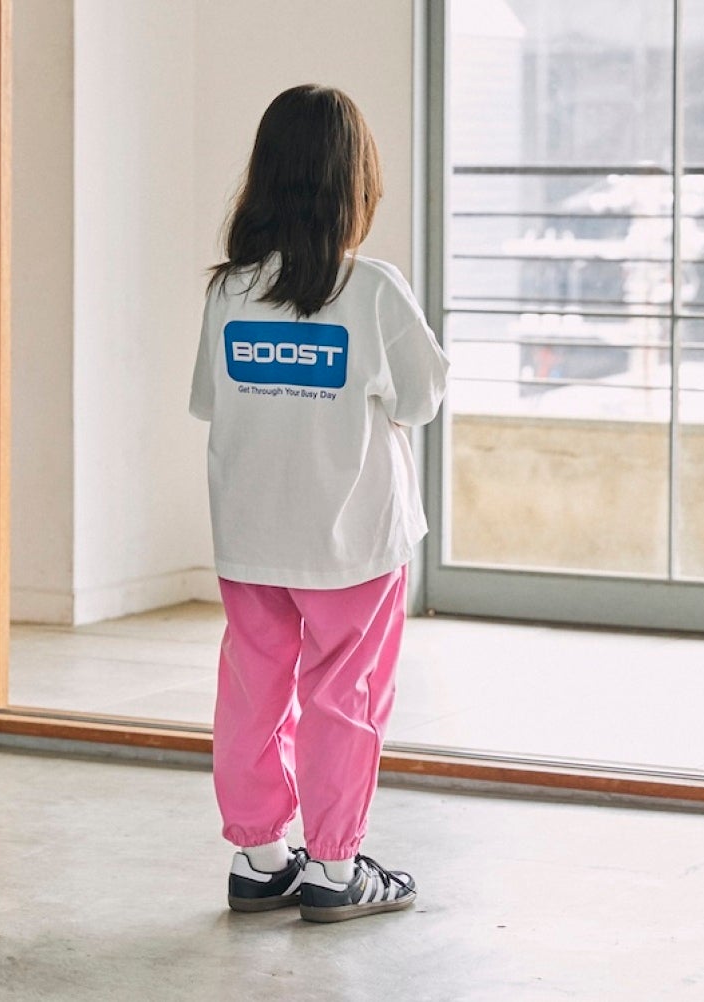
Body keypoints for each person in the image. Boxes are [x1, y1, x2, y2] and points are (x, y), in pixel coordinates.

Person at [189, 84, 449, 923]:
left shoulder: (228, 291)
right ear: (356, 184)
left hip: (251, 537)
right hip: (353, 541)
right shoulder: (372, 290)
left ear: (262, 178)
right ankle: (335, 869)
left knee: (252, 692)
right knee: (346, 696)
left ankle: (260, 859)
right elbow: (421, 400)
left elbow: (210, 402)